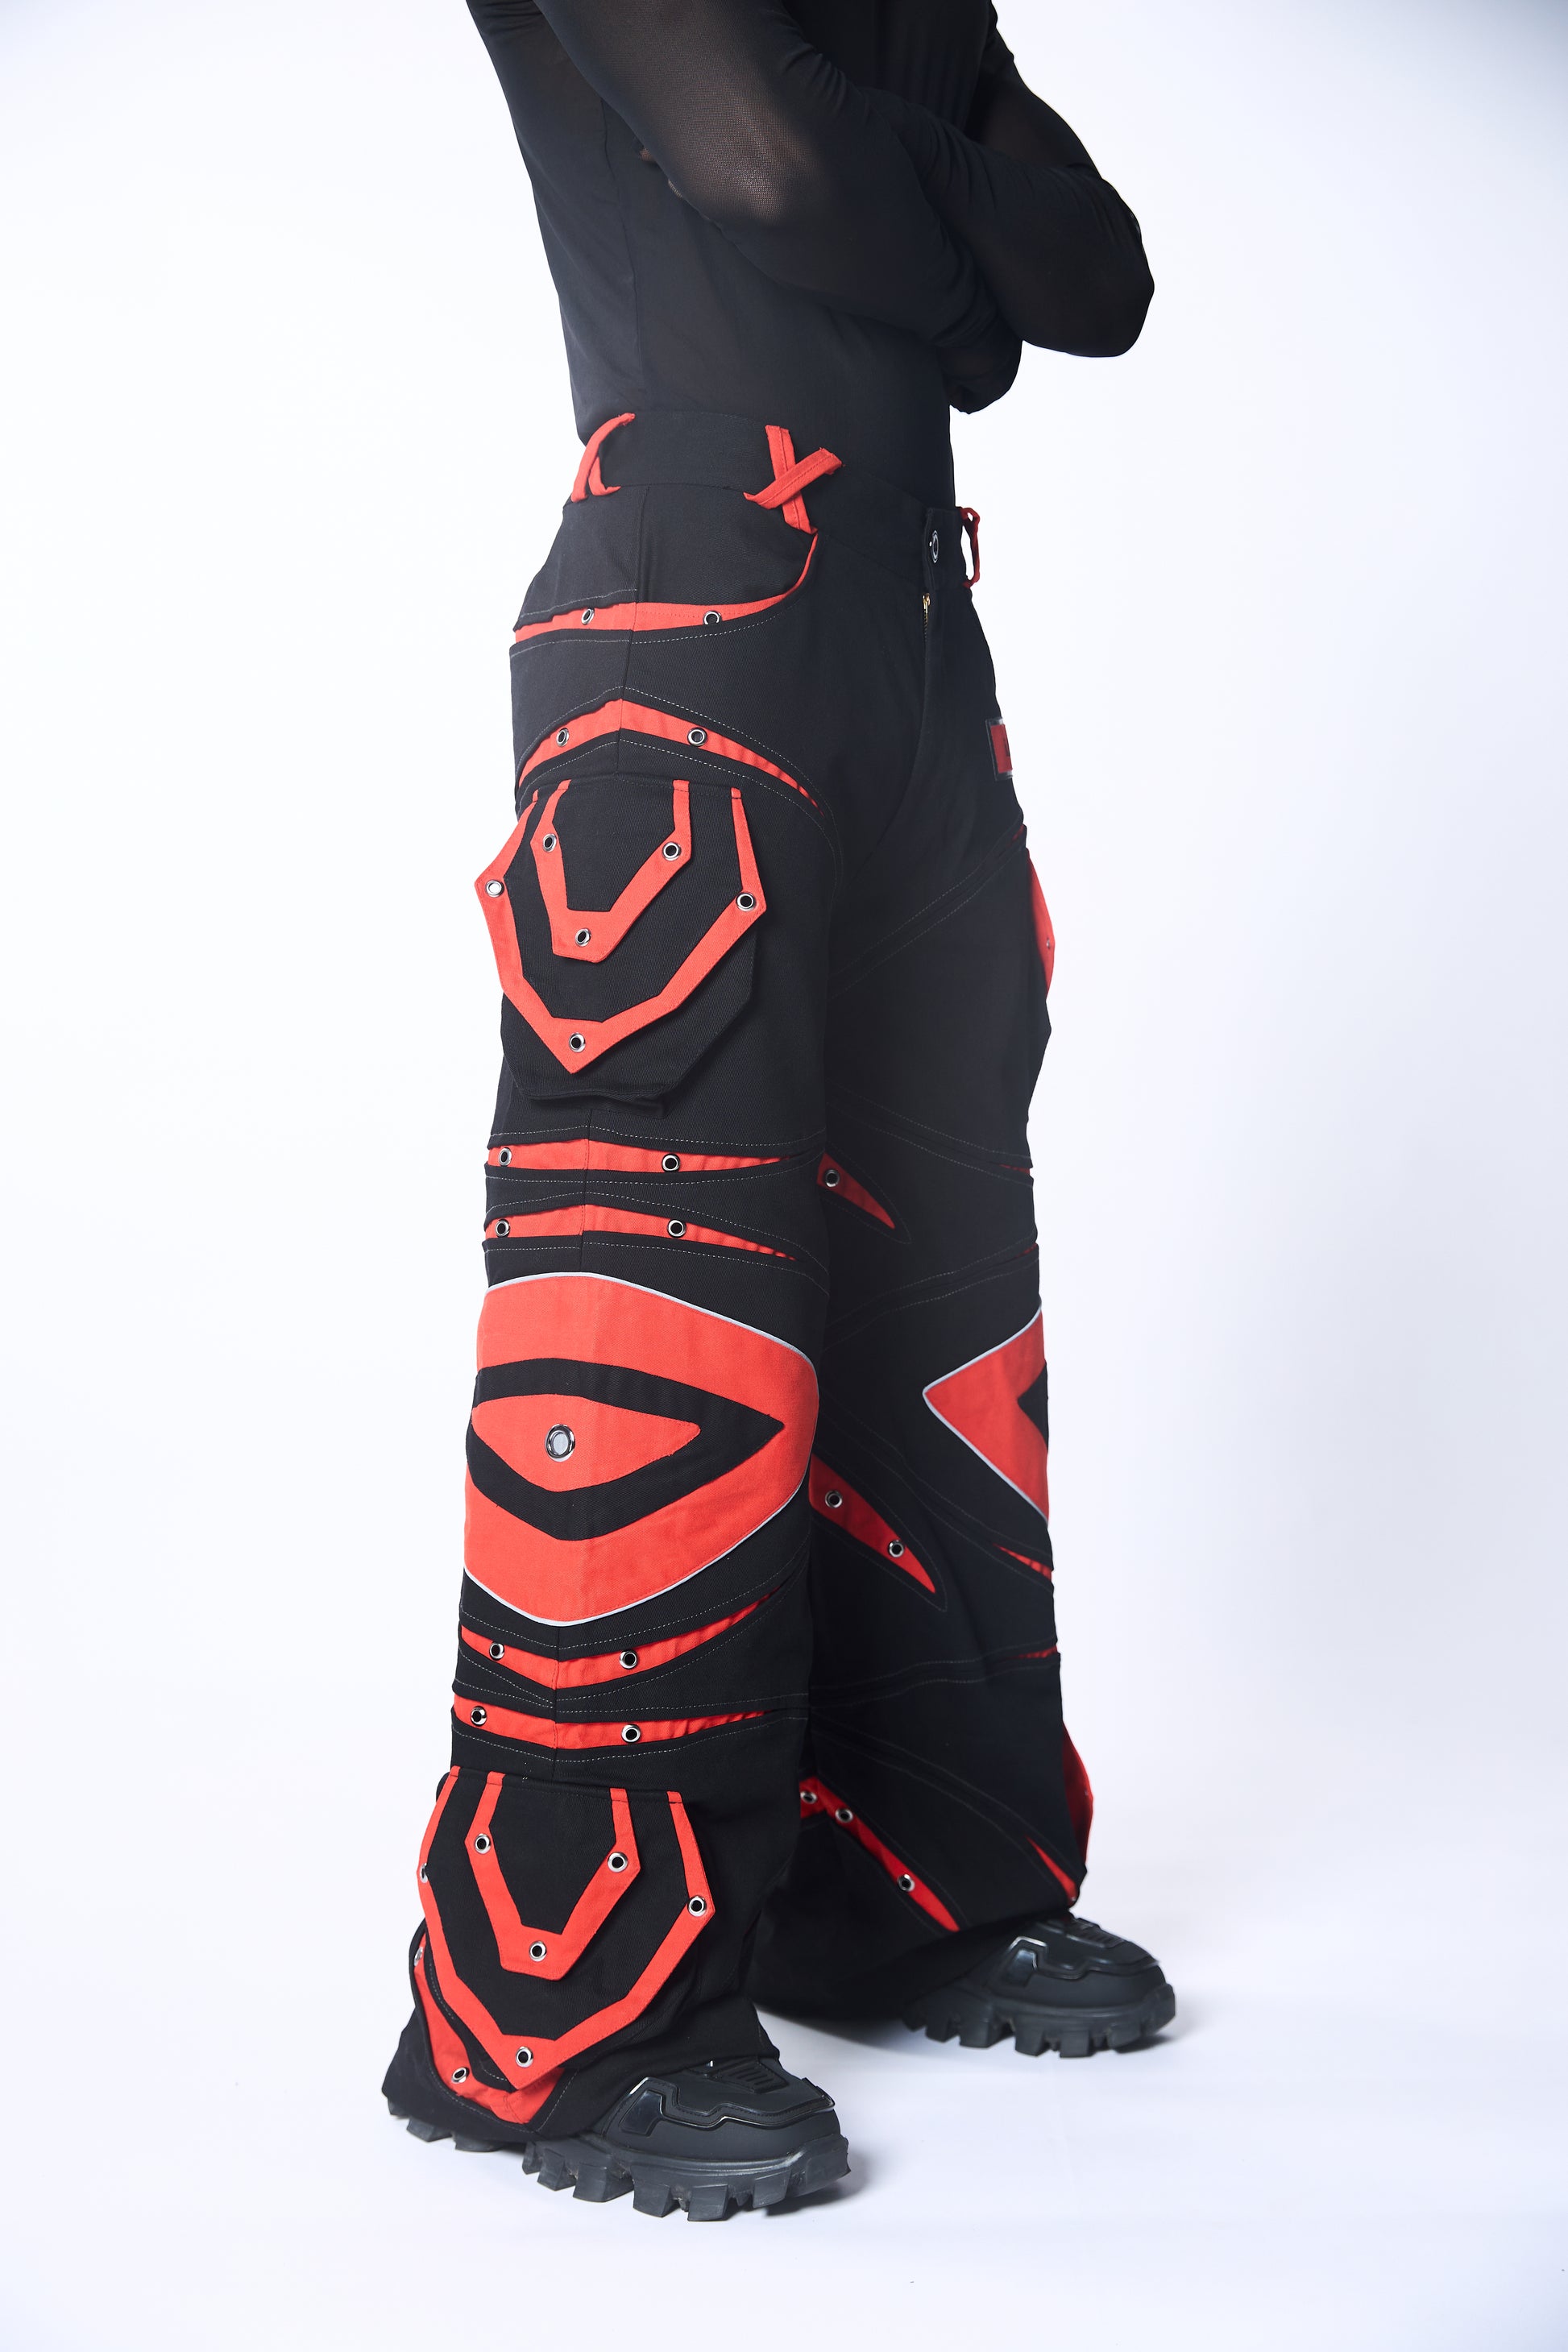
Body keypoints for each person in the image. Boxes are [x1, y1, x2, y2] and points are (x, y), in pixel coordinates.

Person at [383, 0, 1172, 2221]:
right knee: (657, 1294)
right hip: (689, 614)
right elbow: (769, 166)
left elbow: (1097, 277)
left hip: (915, 630)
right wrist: (946, 254)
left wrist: (895, 201)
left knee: (936, 1279)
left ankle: (899, 1884)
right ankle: (572, 2010)